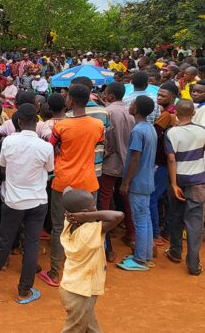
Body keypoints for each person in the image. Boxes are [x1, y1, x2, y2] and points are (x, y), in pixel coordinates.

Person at [0, 104, 54, 304]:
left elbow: (1, 168)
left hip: (14, 200)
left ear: (18, 122)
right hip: (38, 200)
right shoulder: (46, 146)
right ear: (37, 124)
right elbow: (50, 169)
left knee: (5, 241)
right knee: (32, 243)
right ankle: (24, 290)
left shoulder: (8, 142)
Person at [41, 84, 104, 288]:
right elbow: (97, 145)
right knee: (87, 227)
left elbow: (52, 146)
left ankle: (55, 272)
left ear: (70, 101)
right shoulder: (97, 125)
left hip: (63, 181)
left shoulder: (61, 127)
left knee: (59, 226)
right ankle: (85, 269)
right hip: (88, 181)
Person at [59, 189, 123, 333]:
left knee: (90, 327)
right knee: (74, 329)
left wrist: (84, 215)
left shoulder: (69, 222)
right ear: (83, 212)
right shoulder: (88, 232)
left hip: (73, 287)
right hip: (80, 293)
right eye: (93, 207)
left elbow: (67, 191)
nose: (96, 209)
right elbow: (118, 216)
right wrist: (88, 216)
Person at [163, 100, 205, 275]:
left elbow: (171, 159)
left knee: (176, 216)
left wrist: (173, 184)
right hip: (198, 181)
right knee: (195, 222)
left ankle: (175, 252)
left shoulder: (172, 133)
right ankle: (194, 264)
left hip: (178, 180)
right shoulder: (202, 131)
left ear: (176, 114)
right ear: (193, 113)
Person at [117, 95, 157, 272]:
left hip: (138, 182)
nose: (129, 106)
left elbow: (135, 158)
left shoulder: (137, 131)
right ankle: (144, 255)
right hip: (147, 180)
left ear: (137, 109)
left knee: (140, 220)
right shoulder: (150, 128)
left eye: (132, 104)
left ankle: (140, 260)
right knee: (145, 219)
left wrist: (126, 183)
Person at [99, 82, 135, 261]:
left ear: (110, 96)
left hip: (111, 162)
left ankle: (106, 246)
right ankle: (131, 234)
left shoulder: (108, 112)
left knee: (104, 201)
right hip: (128, 162)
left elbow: (108, 139)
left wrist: (106, 153)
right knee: (126, 199)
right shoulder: (131, 111)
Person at [151, 81, 179, 246]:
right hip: (169, 162)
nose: (159, 97)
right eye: (158, 94)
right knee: (164, 198)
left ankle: (156, 234)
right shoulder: (174, 112)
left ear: (173, 97)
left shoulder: (167, 115)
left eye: (163, 95)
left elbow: (154, 133)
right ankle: (166, 229)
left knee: (152, 198)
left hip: (163, 162)